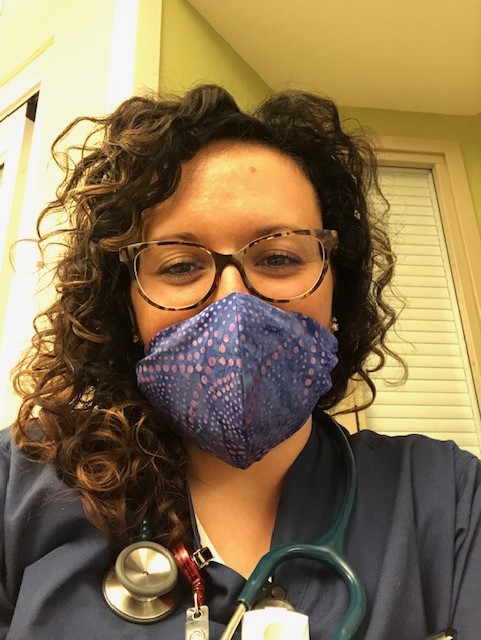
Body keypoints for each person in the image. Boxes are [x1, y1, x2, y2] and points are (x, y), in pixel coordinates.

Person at [0, 83, 479, 640]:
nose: (234, 303)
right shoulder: (20, 484)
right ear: (126, 309)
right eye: (180, 266)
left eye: (278, 257)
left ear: (337, 290)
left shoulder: (447, 500)